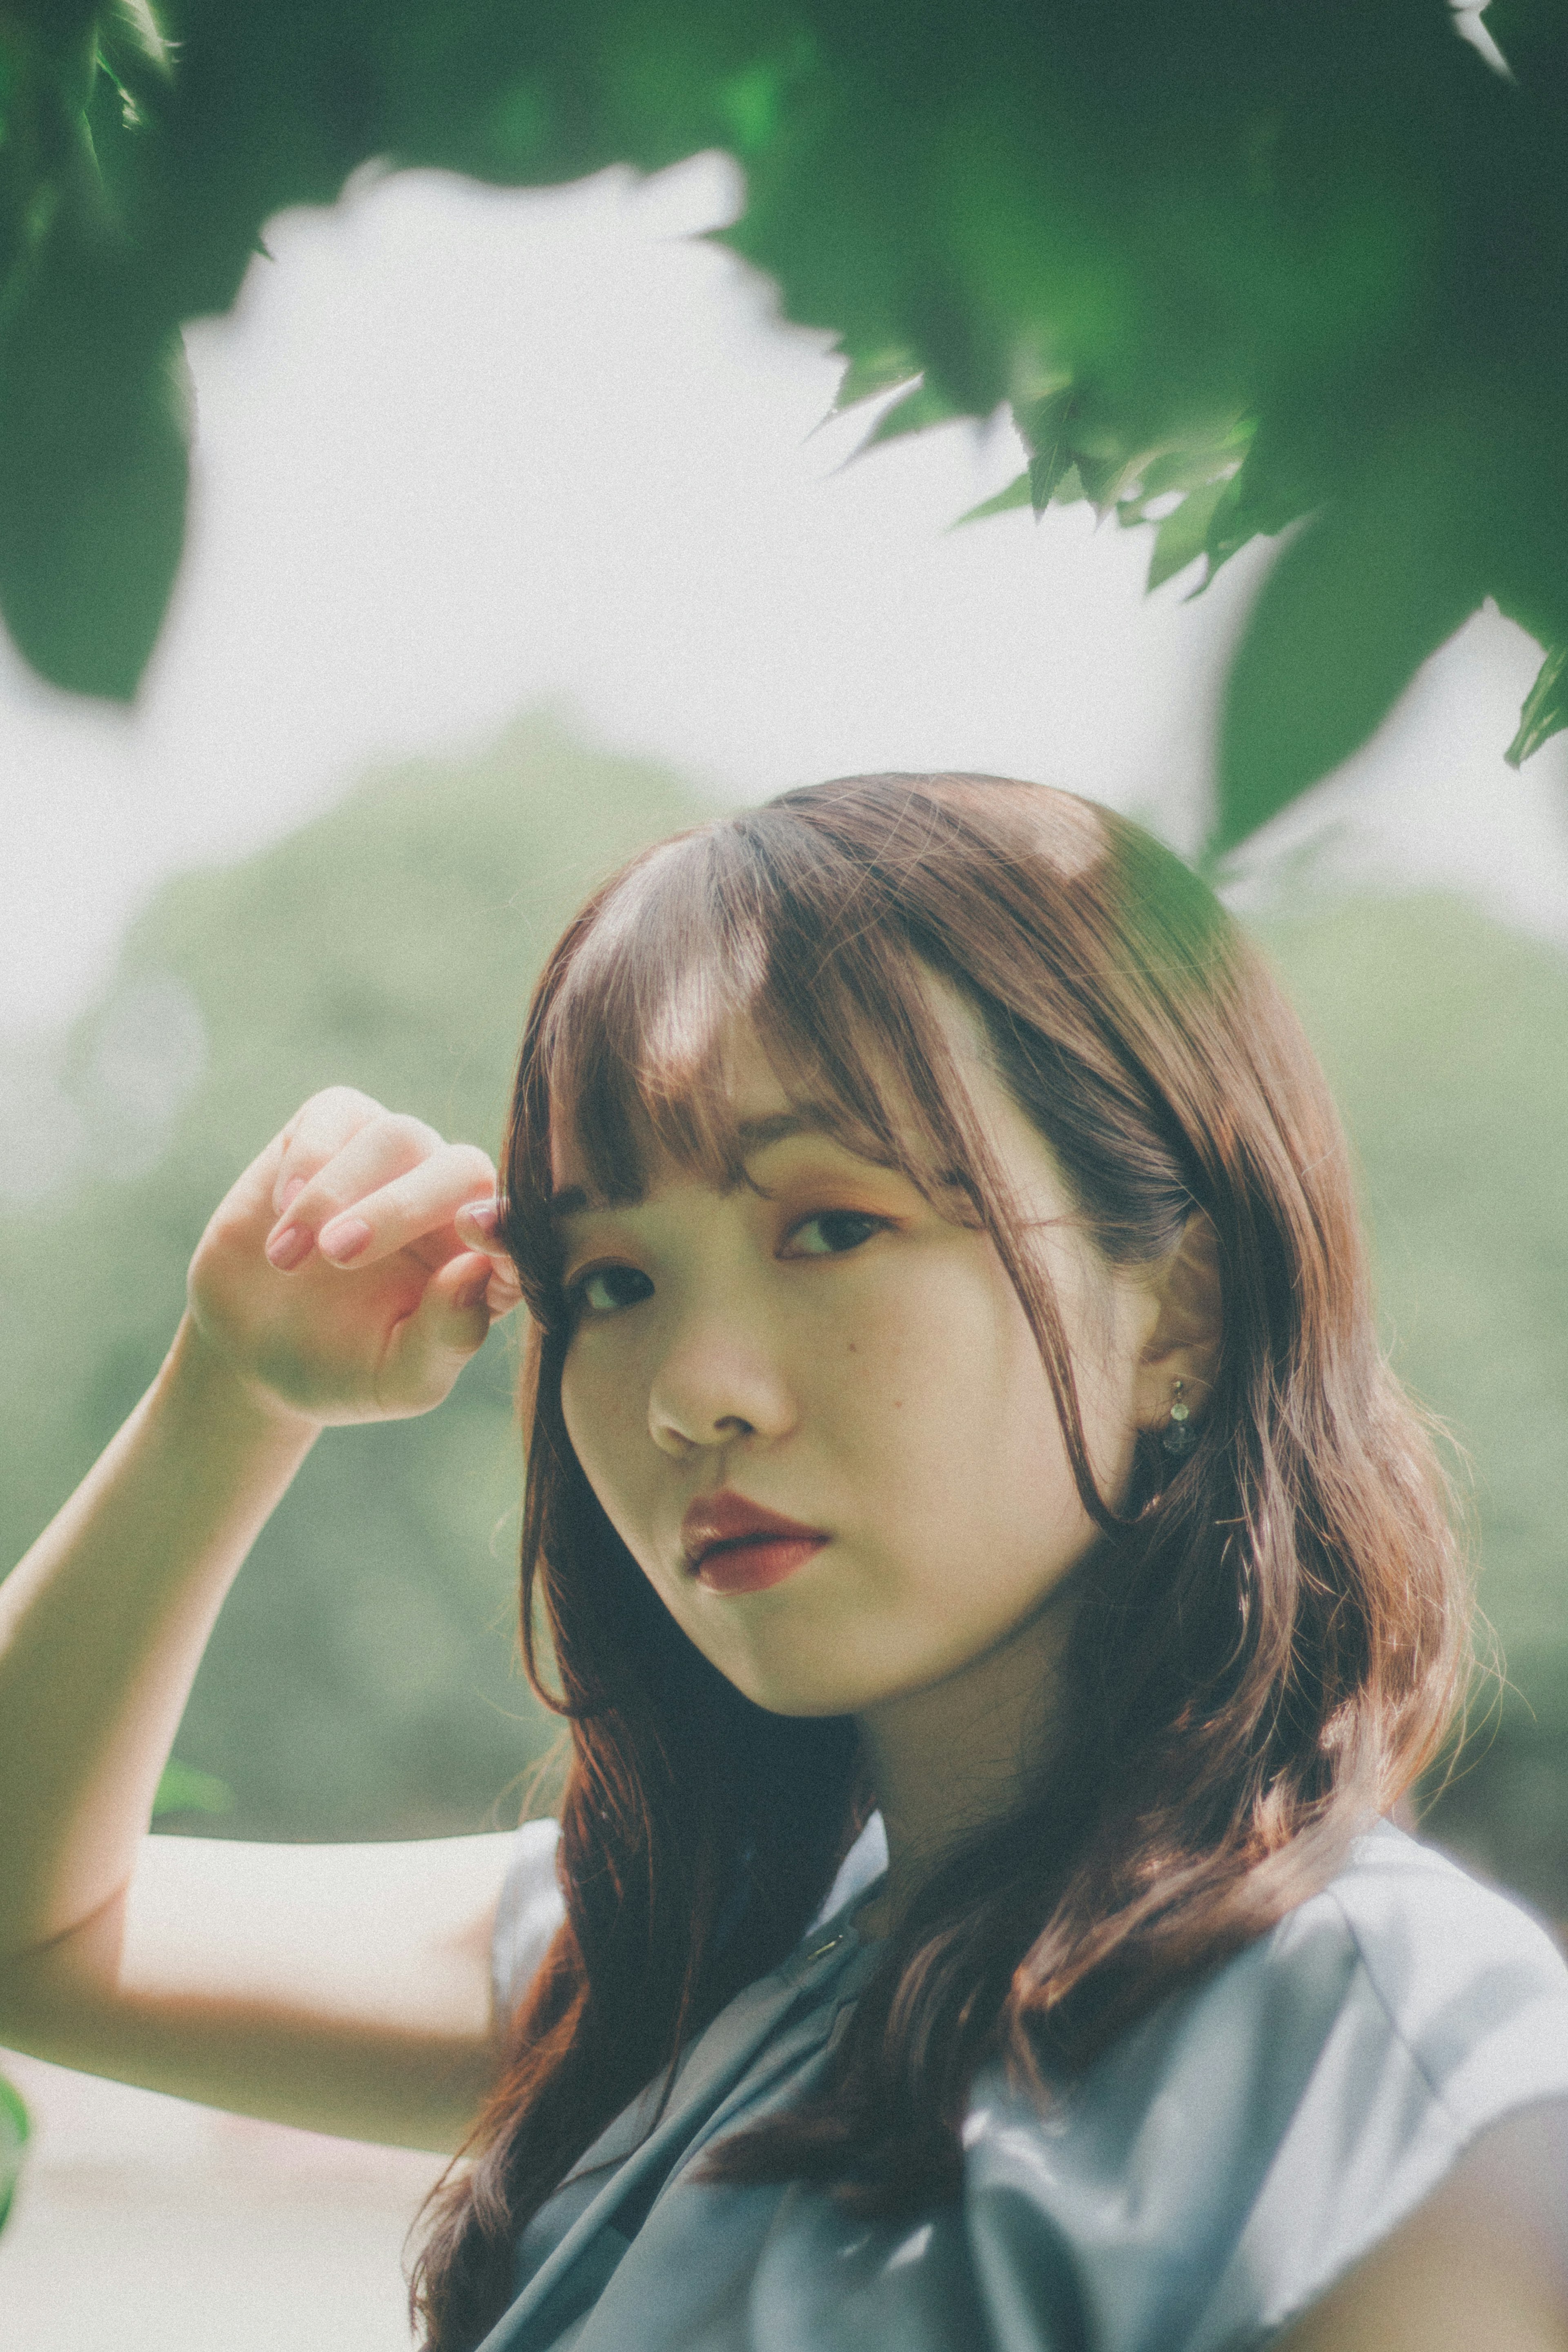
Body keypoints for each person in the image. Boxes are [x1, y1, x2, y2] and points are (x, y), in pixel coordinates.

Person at [0, 771, 1565, 2352]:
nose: (694, 1392)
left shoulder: (1399, 2076)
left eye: (831, 1229)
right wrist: (233, 1395)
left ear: (1179, 1308)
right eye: (610, 1280)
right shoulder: (701, 1956)